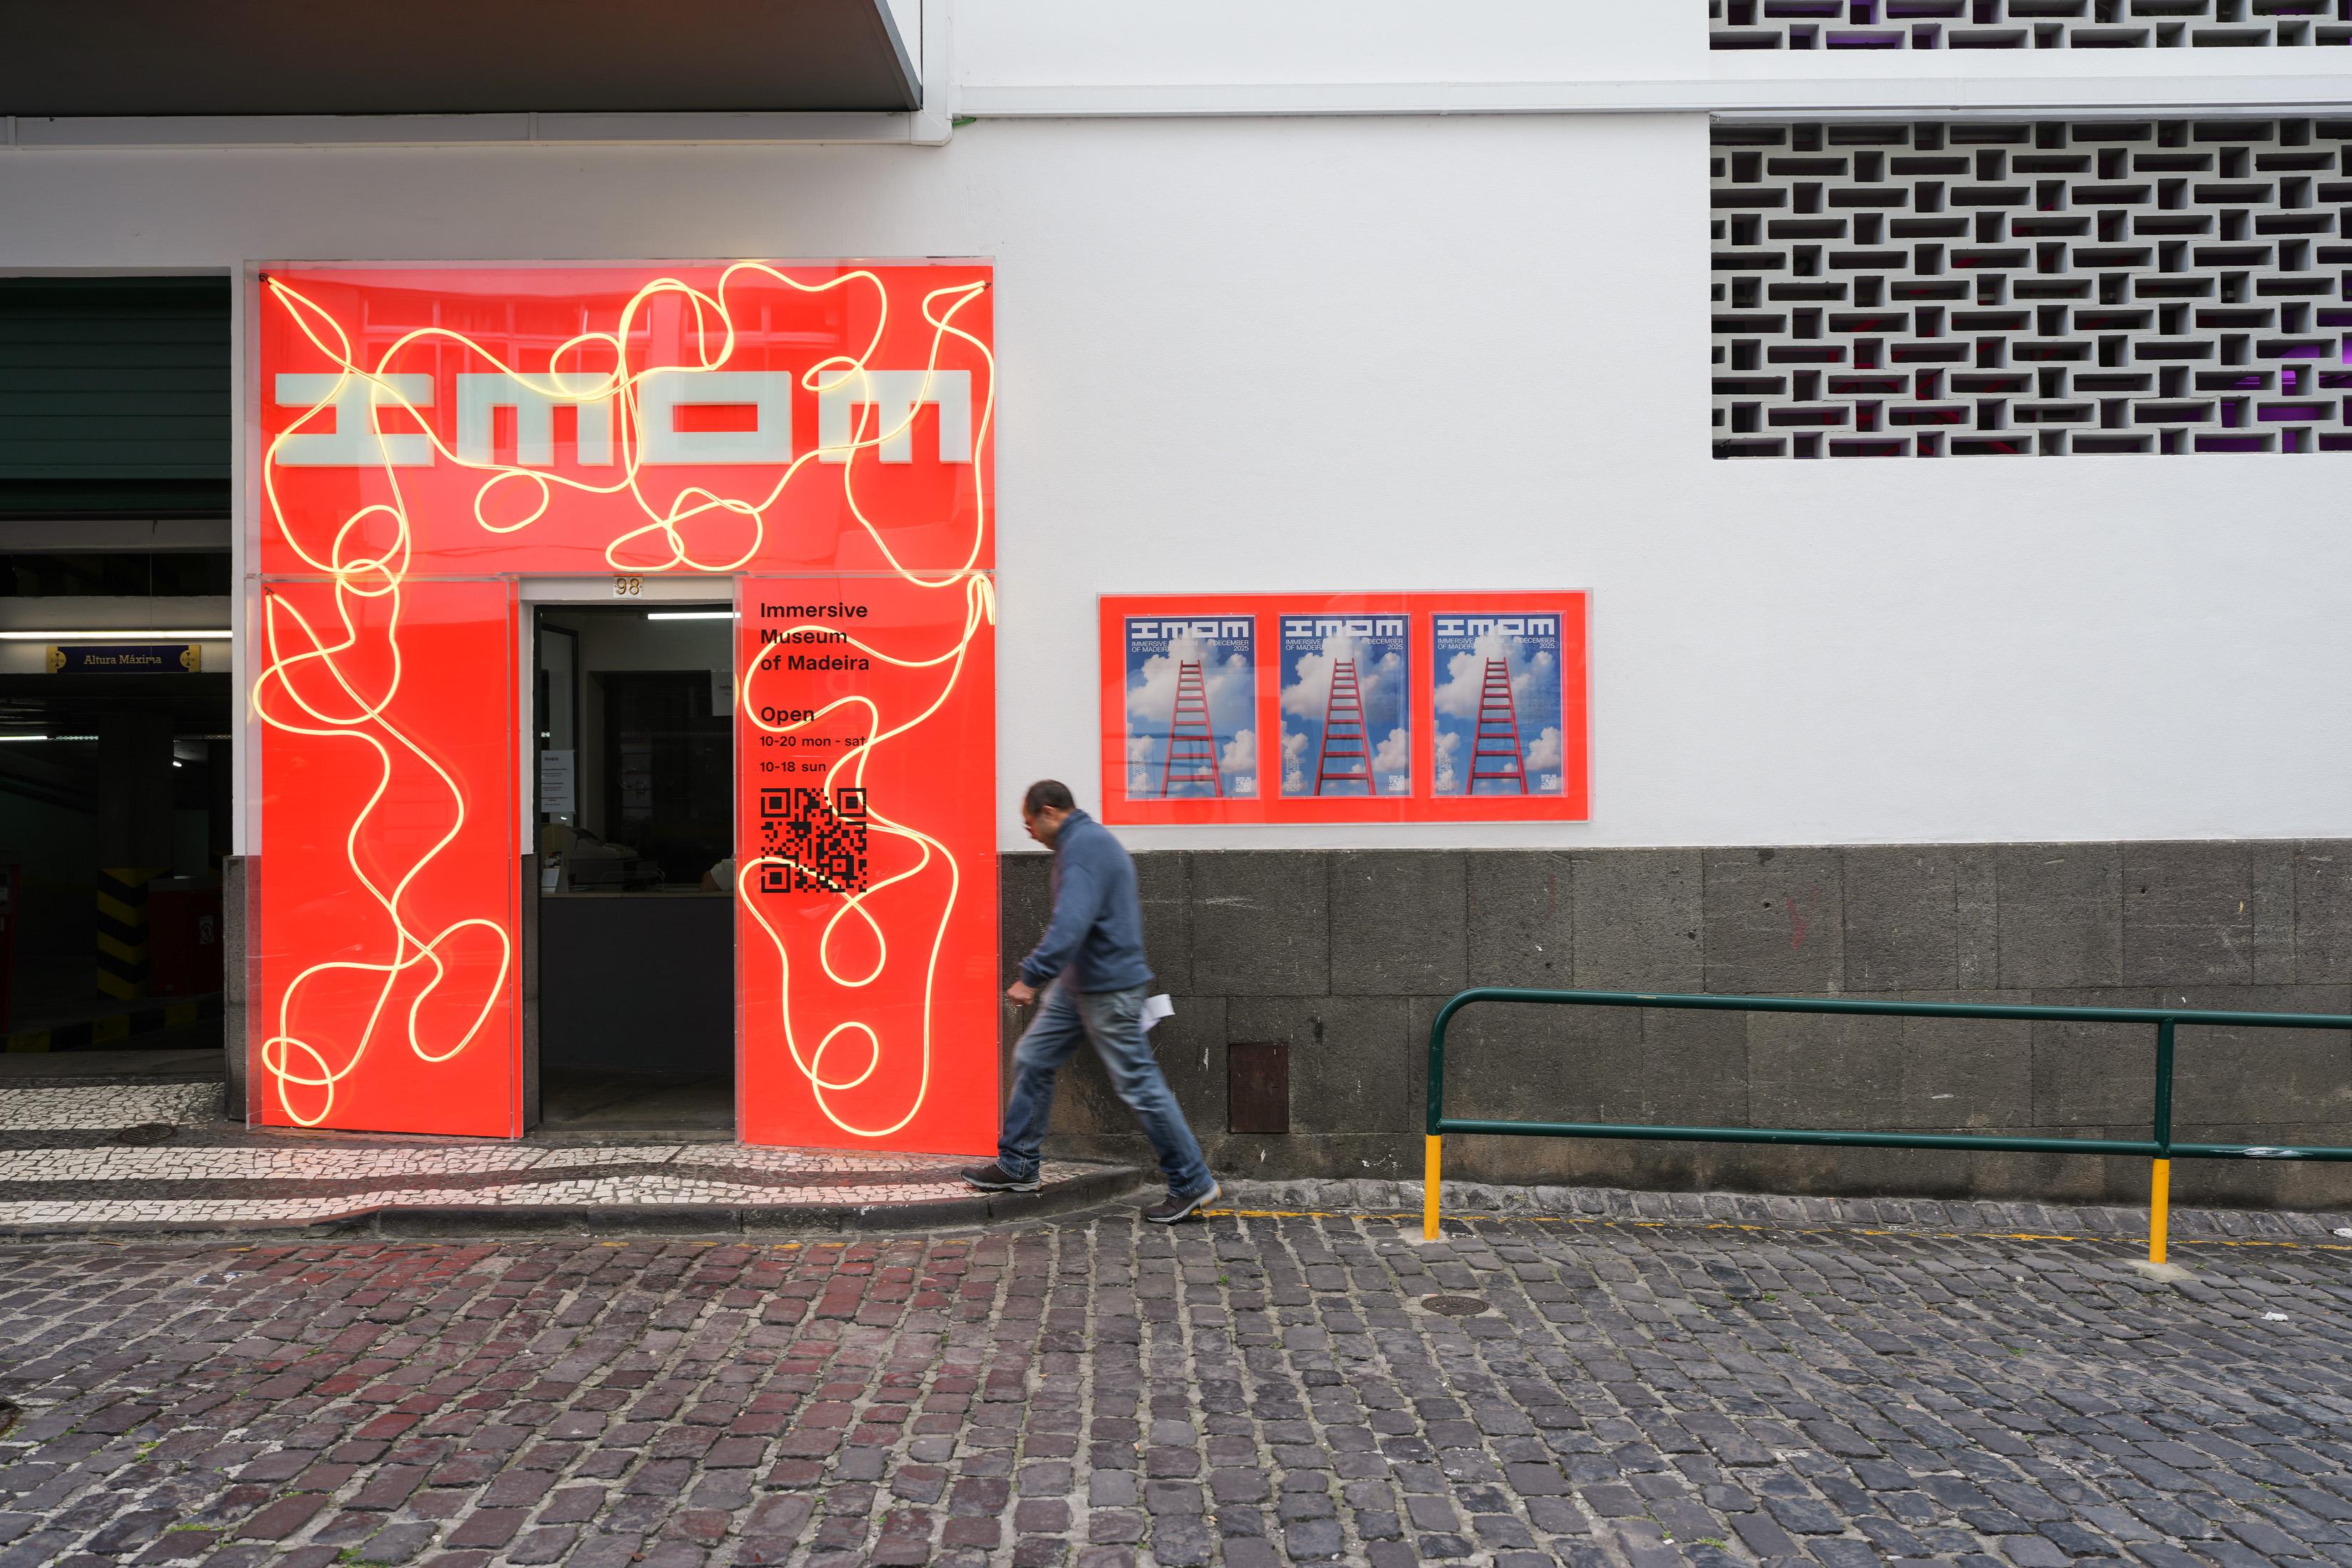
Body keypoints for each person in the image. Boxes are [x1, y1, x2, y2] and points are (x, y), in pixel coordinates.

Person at [961, 780, 1219, 1223]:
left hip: (1108, 987)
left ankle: (1192, 1180)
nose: (1028, 832)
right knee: (1034, 1057)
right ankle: (1018, 1164)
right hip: (1080, 983)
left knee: (1139, 1084)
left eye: (1029, 823)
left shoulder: (1083, 848)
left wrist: (1030, 977)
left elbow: (1070, 926)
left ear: (1049, 811)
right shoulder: (1086, 843)